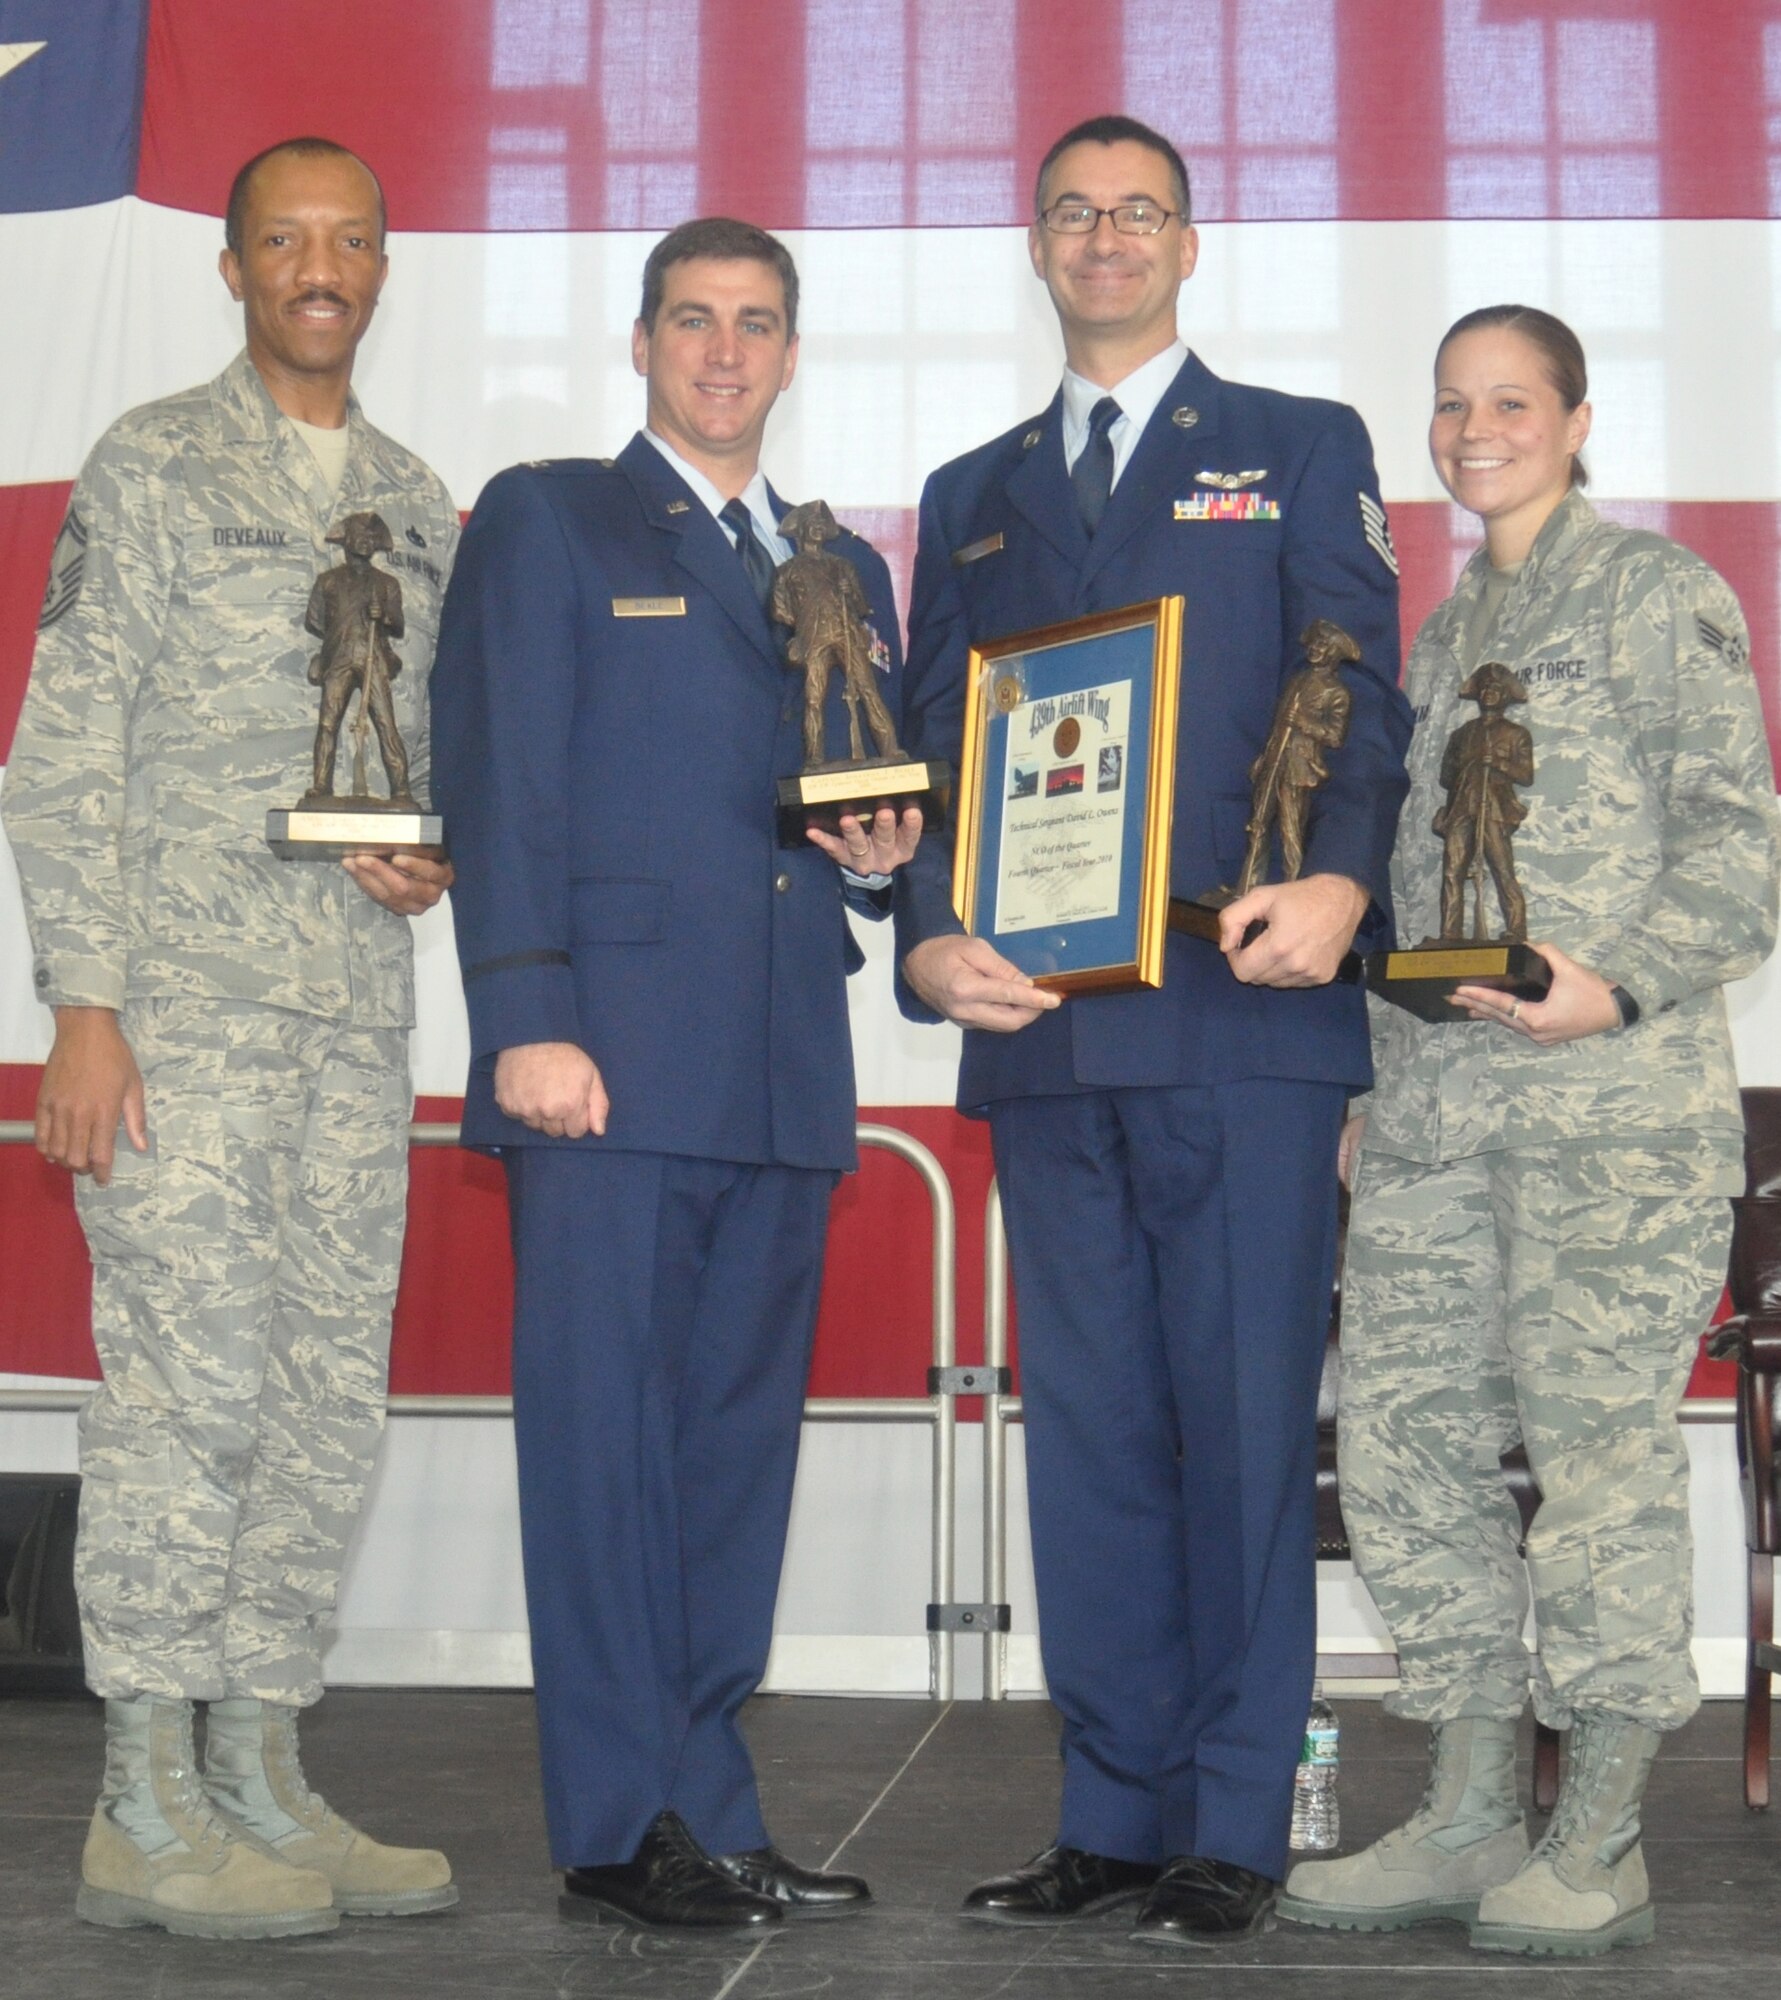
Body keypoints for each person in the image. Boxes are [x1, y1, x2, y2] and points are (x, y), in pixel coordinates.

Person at [894, 114, 1410, 1946]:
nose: (1105, 238)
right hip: (1045, 1033)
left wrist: (1343, 885)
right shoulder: (968, 491)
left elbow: (1361, 694)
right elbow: (936, 766)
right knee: (1094, 1433)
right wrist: (928, 932)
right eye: (1073, 212)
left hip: (1246, 1021)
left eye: (1139, 212)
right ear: (1034, 245)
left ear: (1189, 244)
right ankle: (1110, 1812)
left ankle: (1235, 1821)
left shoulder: (1292, 446)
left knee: (1245, 1423)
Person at [428, 216, 920, 1935]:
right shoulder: (550, 514)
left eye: (758, 324)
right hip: (608, 1072)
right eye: (694, 321)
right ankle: (617, 1820)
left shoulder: (831, 562)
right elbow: (500, 778)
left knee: (728, 1462)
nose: (725, 351)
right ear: (640, 343)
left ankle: (709, 1806)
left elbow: (862, 807)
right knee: (602, 1457)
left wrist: (881, 861)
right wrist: (524, 1015)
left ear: (792, 356)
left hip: (780, 1067)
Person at [1279, 306, 1780, 1956]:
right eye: (1450, 405)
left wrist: (1615, 983)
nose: (1473, 428)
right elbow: (1414, 887)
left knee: (1595, 1470)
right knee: (1411, 1452)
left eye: (1508, 402)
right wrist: (1366, 1086)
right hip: (1432, 1123)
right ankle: (1472, 1803)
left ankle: (1603, 1831)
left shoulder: (1653, 598)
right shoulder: (1439, 634)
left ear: (1574, 422)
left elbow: (1739, 851)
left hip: (1605, 1125)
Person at [1, 139, 460, 1937]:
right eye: (287, 240)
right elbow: (62, 747)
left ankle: (262, 1765)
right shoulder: (155, 463)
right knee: (185, 1402)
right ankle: (142, 1795)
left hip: (349, 1019)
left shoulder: (419, 502)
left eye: (349, 239)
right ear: (235, 267)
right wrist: (84, 1008)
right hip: (179, 1019)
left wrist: (432, 855)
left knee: (319, 1404)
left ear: (380, 265)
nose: (319, 267)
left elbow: (408, 762)